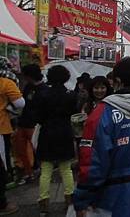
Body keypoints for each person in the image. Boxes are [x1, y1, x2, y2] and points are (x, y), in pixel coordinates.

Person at [73, 57, 130, 217]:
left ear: (117, 81)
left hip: (109, 198)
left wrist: (82, 198)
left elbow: (92, 162)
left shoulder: (102, 113)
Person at [34, 64, 77, 216]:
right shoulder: (70, 95)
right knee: (66, 169)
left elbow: (37, 117)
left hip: (47, 133)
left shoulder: (42, 94)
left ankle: (44, 202)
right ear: (66, 77)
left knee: (46, 170)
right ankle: (70, 199)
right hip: (65, 133)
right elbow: (73, 112)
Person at [15, 63, 46, 185]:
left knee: (36, 149)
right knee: (21, 150)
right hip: (23, 123)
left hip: (35, 125)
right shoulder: (28, 87)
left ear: (29, 76)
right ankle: (28, 172)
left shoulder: (44, 90)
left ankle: (40, 169)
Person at [0, 57, 22, 215]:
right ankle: (2, 203)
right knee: (1, 163)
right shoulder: (6, 82)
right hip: (1, 128)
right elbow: (20, 104)